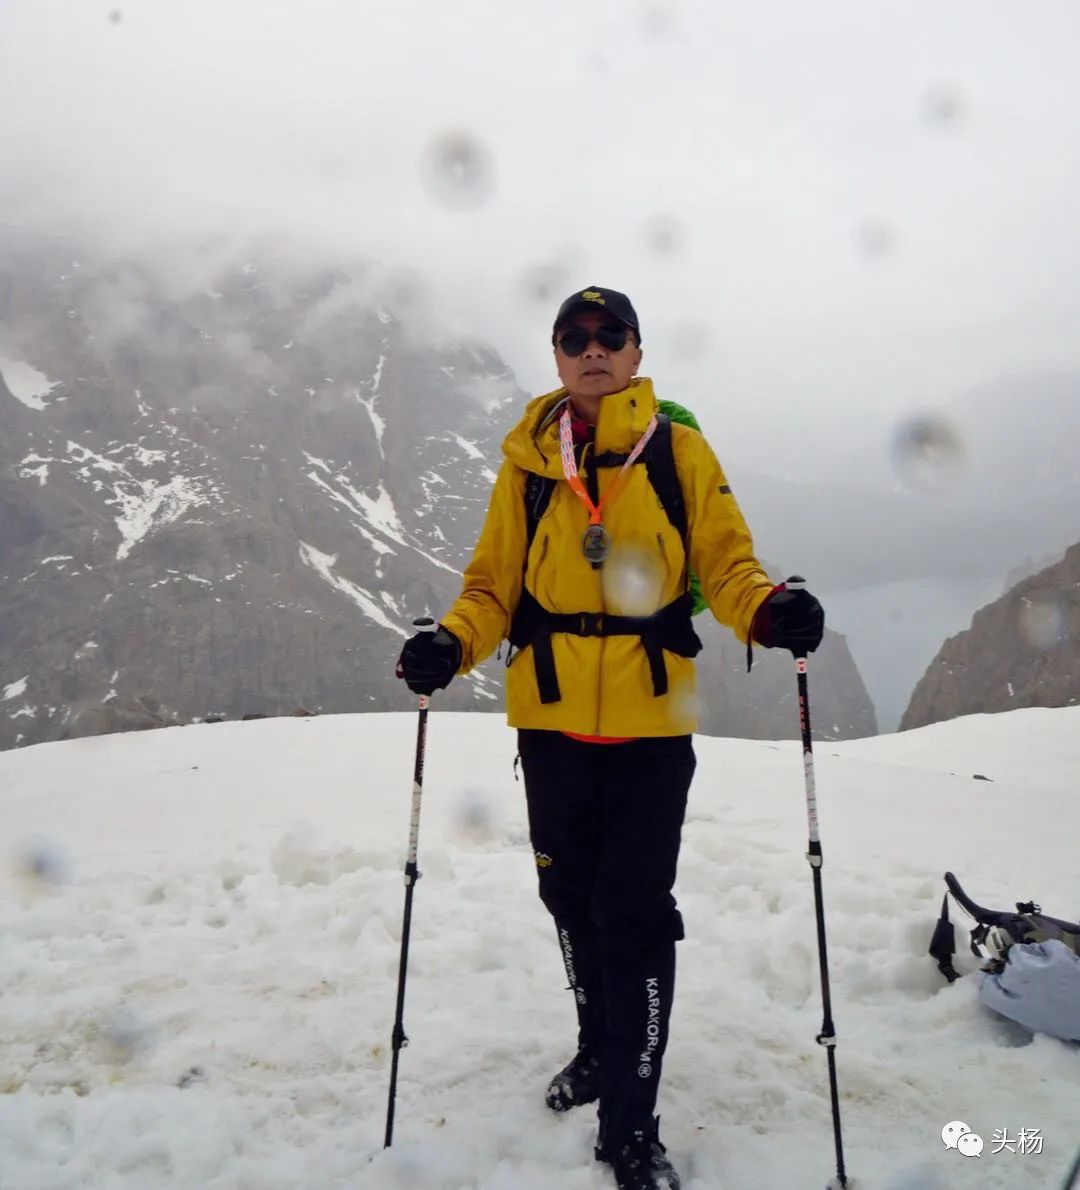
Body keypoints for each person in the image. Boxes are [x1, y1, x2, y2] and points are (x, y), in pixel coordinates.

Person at [396, 287, 824, 1190]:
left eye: (609, 337)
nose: (593, 351)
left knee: (631, 917)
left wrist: (771, 612)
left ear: (635, 352)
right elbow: (491, 588)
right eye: (574, 338)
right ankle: (598, 1046)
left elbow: (726, 564)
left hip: (648, 731)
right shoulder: (526, 464)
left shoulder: (678, 451)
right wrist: (449, 641)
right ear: (556, 356)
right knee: (570, 901)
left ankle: (632, 1125)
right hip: (550, 727)